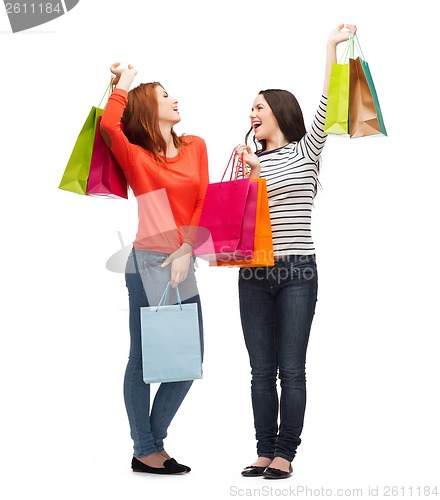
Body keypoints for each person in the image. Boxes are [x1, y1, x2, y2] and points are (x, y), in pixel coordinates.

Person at [233, 23, 357, 479]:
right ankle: (264, 450)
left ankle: (286, 452)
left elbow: (326, 101)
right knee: (259, 371)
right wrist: (250, 175)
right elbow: (247, 220)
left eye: (258, 107)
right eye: (249, 108)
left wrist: (331, 47)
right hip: (253, 272)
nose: (251, 113)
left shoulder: (307, 151)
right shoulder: (251, 160)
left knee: (292, 369)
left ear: (279, 112)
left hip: (298, 272)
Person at [100, 63, 209, 474]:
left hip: (183, 259)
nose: (175, 99)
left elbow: (202, 202)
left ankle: (150, 444)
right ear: (148, 108)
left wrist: (185, 248)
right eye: (165, 96)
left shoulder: (196, 145)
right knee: (144, 361)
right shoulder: (137, 156)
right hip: (146, 261)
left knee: (188, 359)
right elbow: (111, 124)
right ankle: (146, 449)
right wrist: (124, 80)